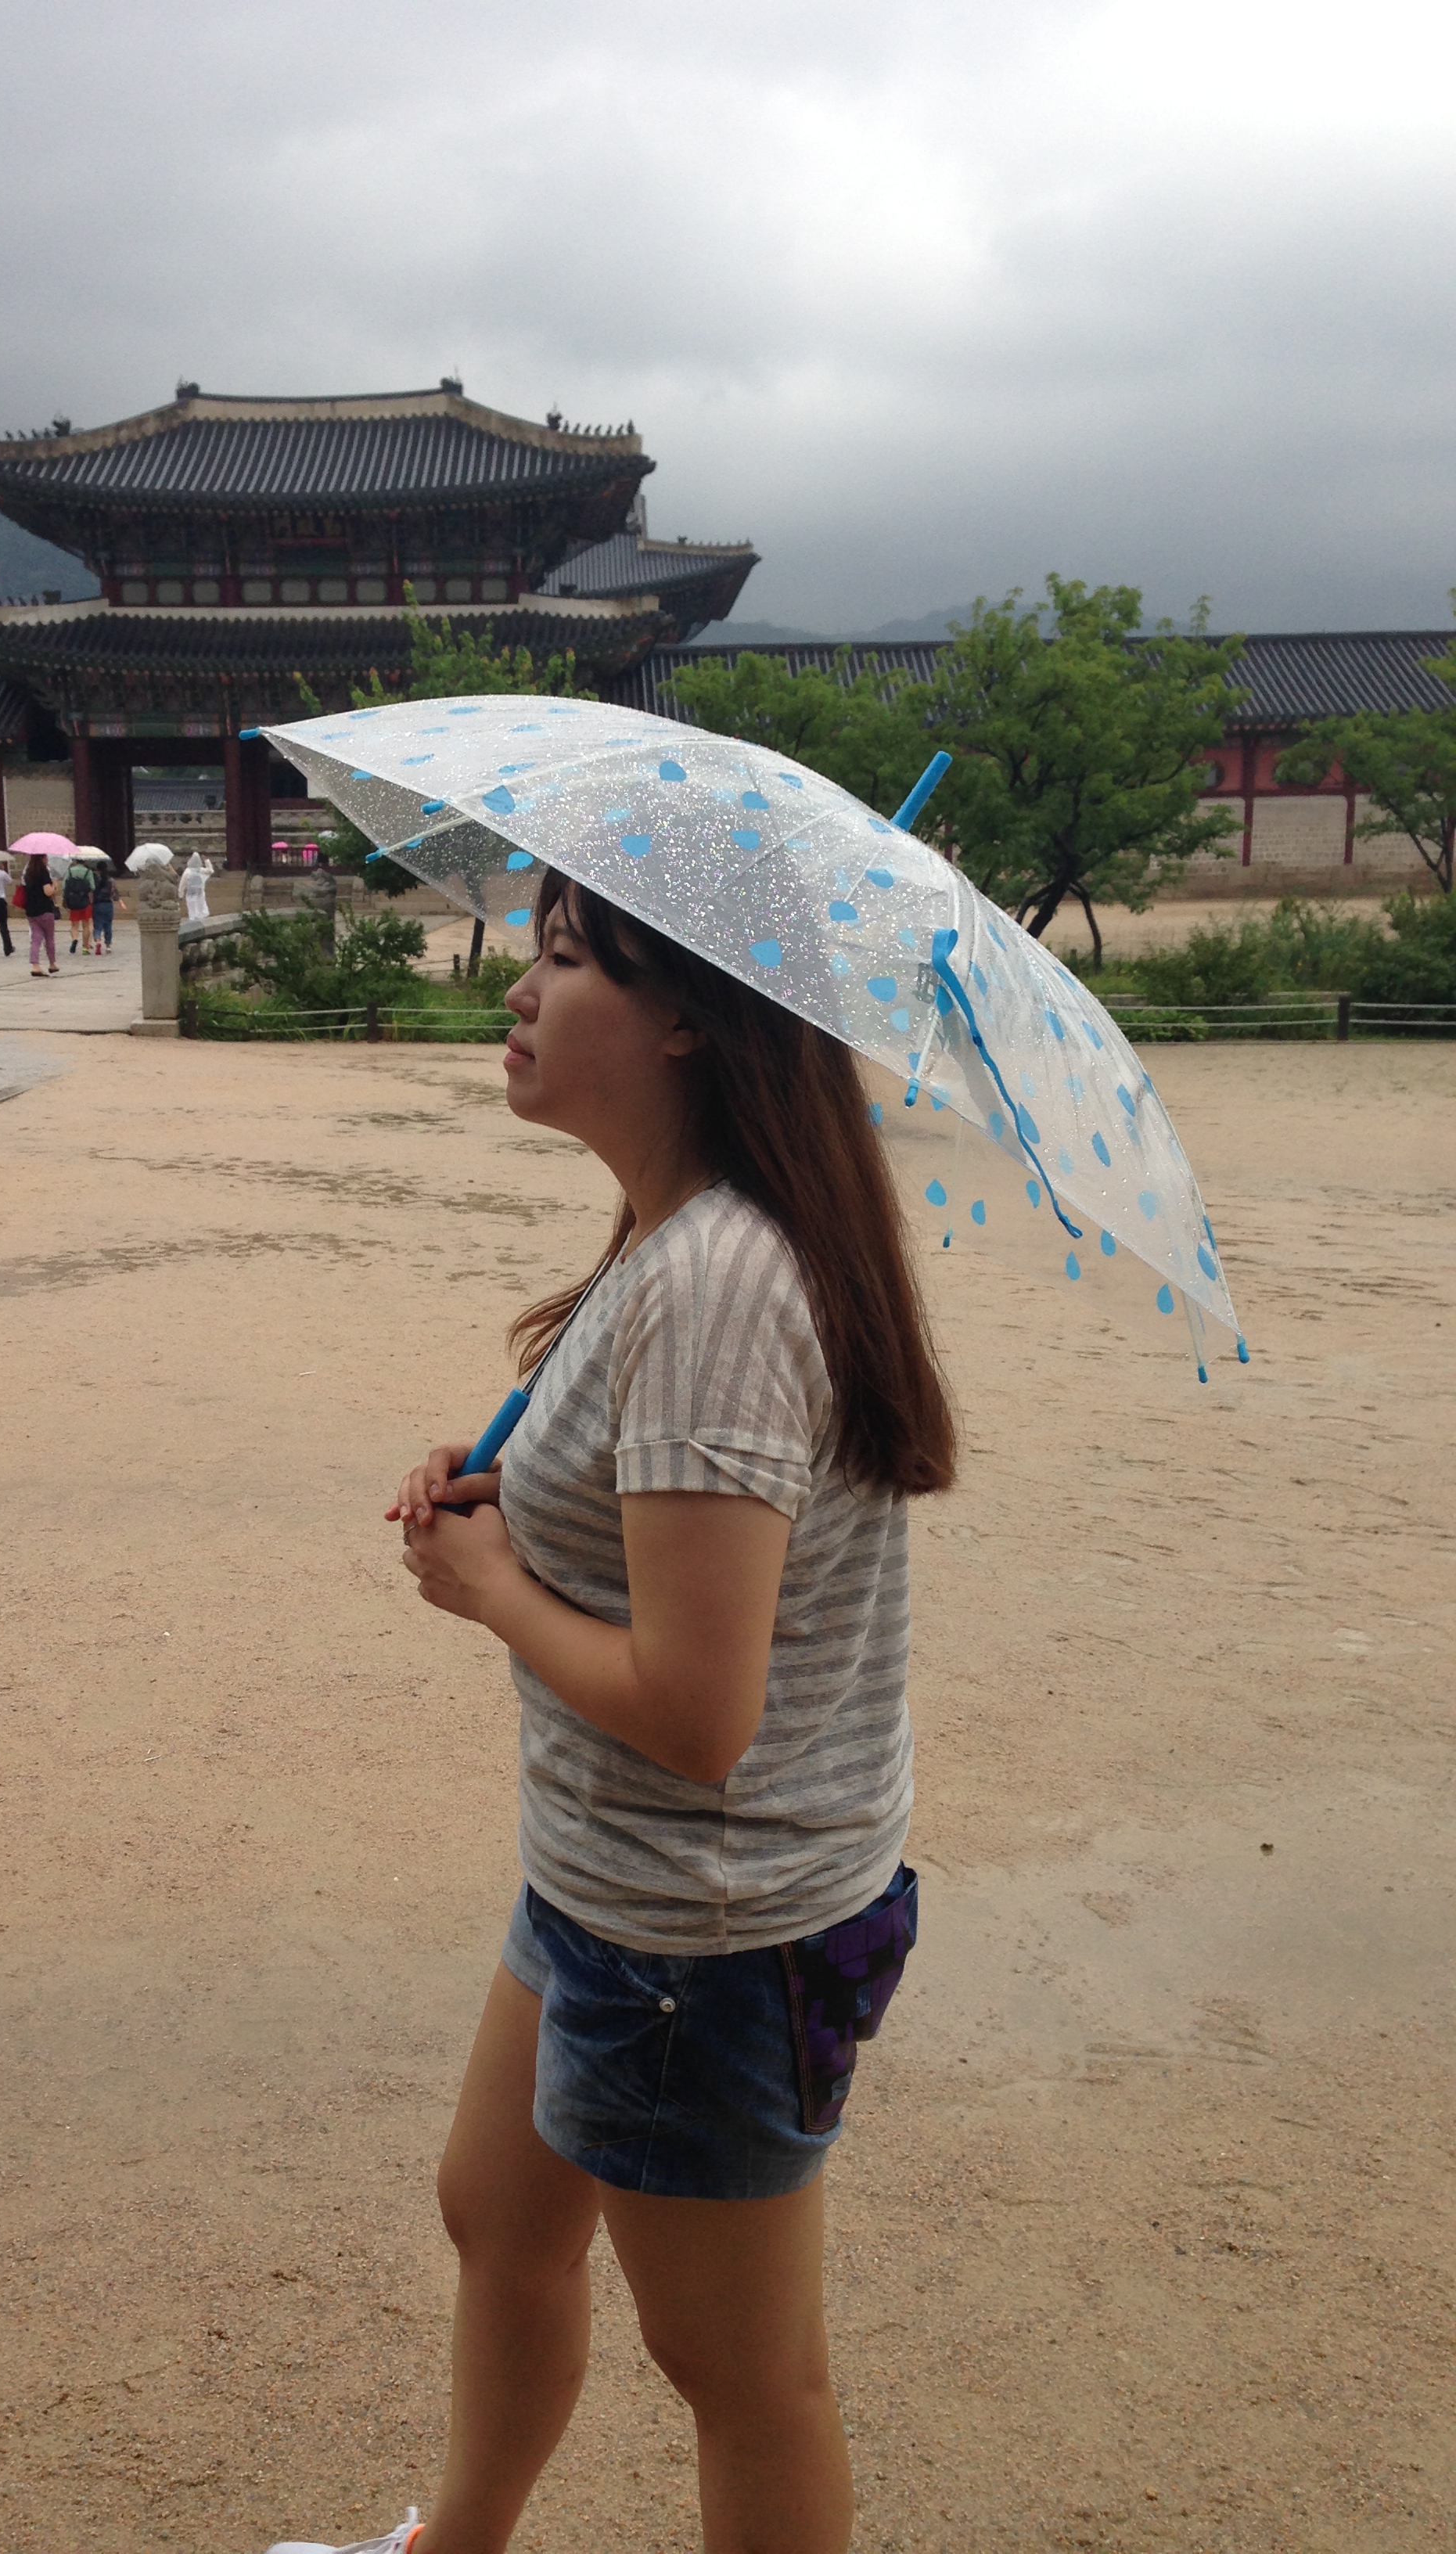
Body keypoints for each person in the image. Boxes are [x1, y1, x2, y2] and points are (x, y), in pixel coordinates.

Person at [268, 869, 957, 2554]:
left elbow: (697, 1710)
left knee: (740, 2371)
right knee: (497, 2213)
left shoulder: (718, 1282)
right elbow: (650, 1512)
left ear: (688, 1021)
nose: (518, 991)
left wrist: (490, 1589)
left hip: (701, 1930)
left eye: (568, 958)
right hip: (613, 1879)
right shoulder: (668, 1234)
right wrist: (503, 1479)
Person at [20, 854, 59, 976]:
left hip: (31, 910)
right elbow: (48, 892)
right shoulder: (43, 873)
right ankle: (52, 964)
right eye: (46, 858)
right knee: (49, 938)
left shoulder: (27, 874)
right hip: (45, 909)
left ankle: (35, 965)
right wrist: (55, 886)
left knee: (36, 938)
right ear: (42, 859)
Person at [63, 851, 96, 955]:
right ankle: (85, 948)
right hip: (85, 901)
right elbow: (93, 886)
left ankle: (74, 939)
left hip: (73, 901)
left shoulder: (70, 871)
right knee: (86, 925)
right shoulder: (88, 872)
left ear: (75, 861)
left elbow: (64, 886)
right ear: (84, 861)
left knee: (74, 925)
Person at [88, 852, 116, 955]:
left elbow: (91, 891)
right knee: (108, 925)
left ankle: (98, 941)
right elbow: (114, 894)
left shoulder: (95, 879)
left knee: (98, 925)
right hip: (108, 904)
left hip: (97, 904)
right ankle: (108, 946)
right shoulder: (110, 880)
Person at [182, 847, 212, 923]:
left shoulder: (187, 871)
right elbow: (210, 871)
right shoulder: (200, 870)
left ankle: (193, 919)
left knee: (192, 906)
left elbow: (183, 883)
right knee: (201, 905)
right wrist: (206, 861)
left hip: (191, 892)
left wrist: (180, 893)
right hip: (200, 891)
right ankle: (201, 918)